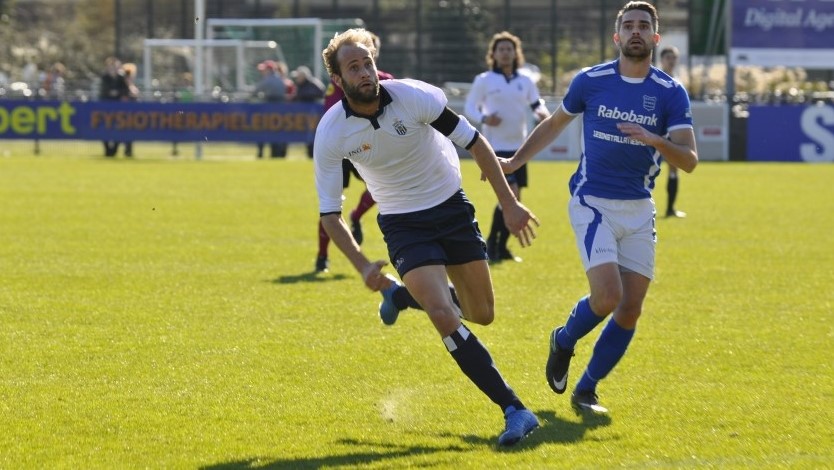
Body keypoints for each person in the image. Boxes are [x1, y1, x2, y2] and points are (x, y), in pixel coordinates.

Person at [315, 28, 541, 446]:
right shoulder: (331, 132)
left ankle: (402, 297)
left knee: (482, 314)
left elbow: (476, 143)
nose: (364, 72)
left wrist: (509, 204)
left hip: (452, 209)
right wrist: (363, 264)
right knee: (442, 314)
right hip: (403, 224)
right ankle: (515, 409)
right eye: (353, 67)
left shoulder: (413, 96)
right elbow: (330, 214)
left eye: (367, 63)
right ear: (338, 80)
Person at [502, 1, 698, 414]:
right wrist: (514, 162)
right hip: (592, 202)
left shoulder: (669, 92)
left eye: (644, 26)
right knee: (608, 295)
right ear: (617, 36)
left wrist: (655, 140)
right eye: (629, 26)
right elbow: (555, 123)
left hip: (639, 208)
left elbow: (689, 159)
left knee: (631, 307)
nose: (636, 32)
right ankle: (565, 339)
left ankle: (587, 389)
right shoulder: (590, 80)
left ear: (656, 37)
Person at [465, 31, 550, 263]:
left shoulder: (525, 81)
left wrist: (542, 113)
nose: (505, 53)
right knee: (509, 196)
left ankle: (501, 247)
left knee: (514, 198)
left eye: (509, 49)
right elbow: (470, 107)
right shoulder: (484, 80)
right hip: (493, 148)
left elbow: (537, 104)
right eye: (500, 49)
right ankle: (491, 244)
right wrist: (485, 118)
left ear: (516, 53)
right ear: (493, 53)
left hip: (519, 150)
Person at [314, 32, 394, 272]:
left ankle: (357, 216)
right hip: (343, 148)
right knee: (330, 205)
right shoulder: (342, 82)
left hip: (372, 149)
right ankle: (322, 256)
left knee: (378, 190)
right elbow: (330, 111)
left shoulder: (387, 81)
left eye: (370, 53)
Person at [659, 46, 687, 218]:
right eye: (669, 57)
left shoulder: (678, 81)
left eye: (674, 57)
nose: (672, 61)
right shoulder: (655, 79)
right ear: (661, 60)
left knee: (673, 169)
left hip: (671, 131)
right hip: (654, 130)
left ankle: (670, 209)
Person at [253, 60, 288, 159]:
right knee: (277, 132)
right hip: (280, 109)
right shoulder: (281, 79)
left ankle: (261, 152)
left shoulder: (268, 80)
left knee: (262, 131)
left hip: (268, 109)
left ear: (268, 70)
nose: (262, 72)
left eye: (264, 70)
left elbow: (255, 91)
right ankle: (277, 153)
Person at [291, 65, 326, 158]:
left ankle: (312, 153)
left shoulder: (313, 84)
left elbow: (319, 95)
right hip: (304, 114)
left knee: (312, 133)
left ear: (303, 76)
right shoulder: (301, 85)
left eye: (298, 76)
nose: (297, 78)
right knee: (307, 133)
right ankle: (310, 152)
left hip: (313, 113)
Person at [99, 56, 130, 157]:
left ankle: (115, 149)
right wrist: (111, 93)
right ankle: (107, 150)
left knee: (119, 129)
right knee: (104, 129)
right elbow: (103, 92)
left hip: (118, 108)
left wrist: (117, 93)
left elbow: (126, 90)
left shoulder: (121, 78)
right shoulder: (105, 77)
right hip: (106, 107)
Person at [121, 62, 141, 158]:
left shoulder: (132, 86)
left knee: (130, 133)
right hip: (124, 113)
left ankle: (128, 151)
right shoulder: (123, 85)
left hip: (132, 113)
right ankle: (126, 150)